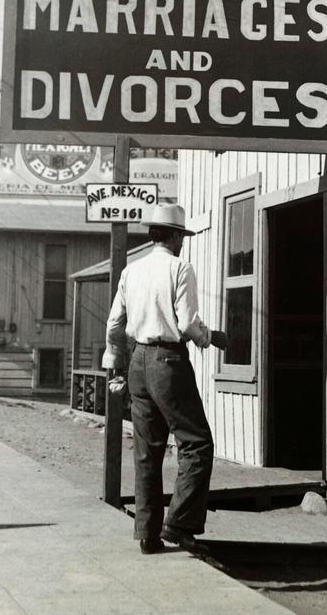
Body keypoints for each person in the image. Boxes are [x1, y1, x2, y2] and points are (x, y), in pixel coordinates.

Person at [103, 203, 227, 555]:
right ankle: (180, 523)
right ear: (174, 236)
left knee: (147, 450)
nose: (183, 242)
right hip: (167, 361)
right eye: (182, 236)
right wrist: (209, 337)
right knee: (197, 444)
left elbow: (114, 323)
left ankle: (148, 533)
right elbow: (187, 324)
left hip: (138, 360)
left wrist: (115, 362)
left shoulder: (132, 270)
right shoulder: (180, 268)